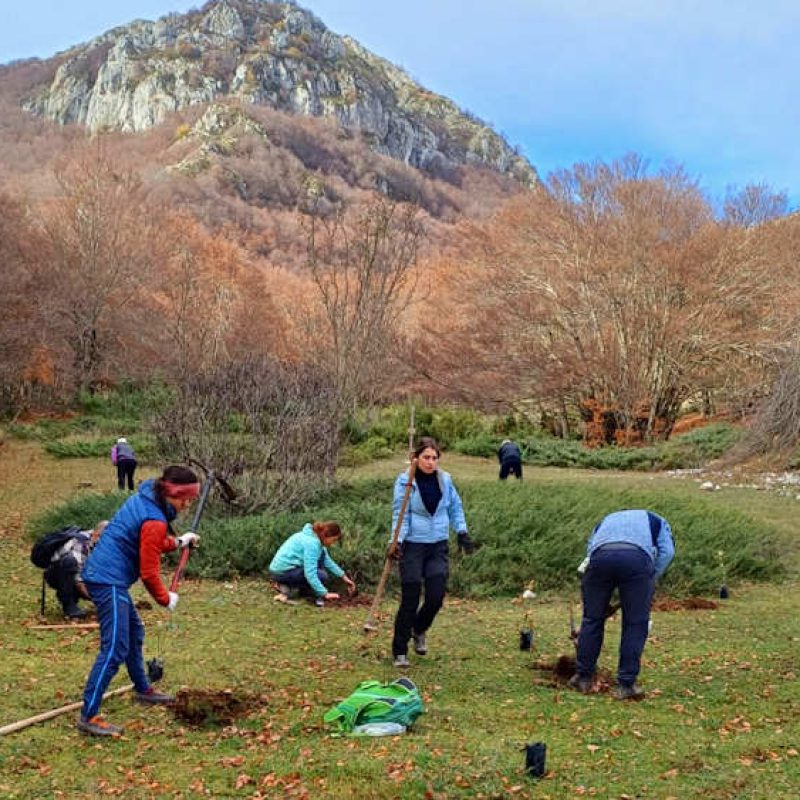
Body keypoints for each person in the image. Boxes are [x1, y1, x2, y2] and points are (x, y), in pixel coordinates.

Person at [76, 465, 201, 736]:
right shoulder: (154, 518)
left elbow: (150, 541)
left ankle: (143, 689)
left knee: (135, 633)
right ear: (174, 494)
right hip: (107, 579)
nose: (188, 505)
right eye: (187, 499)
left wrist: (179, 541)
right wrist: (165, 598)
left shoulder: (145, 498)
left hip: (106, 575)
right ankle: (88, 716)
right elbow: (148, 571)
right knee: (115, 649)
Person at [388, 437, 476, 667]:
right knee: (410, 596)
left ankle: (418, 629)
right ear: (416, 458)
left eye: (434, 458)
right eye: (426, 457)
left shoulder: (445, 480)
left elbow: (455, 507)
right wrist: (395, 541)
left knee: (436, 595)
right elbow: (400, 513)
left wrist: (462, 531)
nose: (430, 462)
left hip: (438, 544)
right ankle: (400, 651)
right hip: (413, 545)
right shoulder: (405, 481)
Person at [570, 509, 675, 700]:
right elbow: (667, 552)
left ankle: (583, 677)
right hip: (637, 561)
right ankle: (626, 685)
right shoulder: (658, 521)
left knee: (592, 618)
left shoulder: (606, 519)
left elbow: (591, 548)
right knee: (635, 623)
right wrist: (652, 576)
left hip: (599, 558)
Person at [269, 521, 356, 606]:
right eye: (333, 540)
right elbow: (310, 573)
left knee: (321, 561)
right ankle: (289, 586)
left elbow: (328, 561)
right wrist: (325, 593)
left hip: (284, 570)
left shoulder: (315, 539)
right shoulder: (312, 544)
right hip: (282, 572)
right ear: (326, 535)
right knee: (321, 575)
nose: (332, 544)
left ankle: (295, 589)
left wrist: (344, 578)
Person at [43, 521, 108, 619]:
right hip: (56, 574)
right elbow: (79, 581)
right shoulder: (80, 542)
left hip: (79, 573)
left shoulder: (102, 546)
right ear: (95, 535)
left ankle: (73, 598)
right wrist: (98, 600)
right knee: (70, 562)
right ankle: (68, 605)